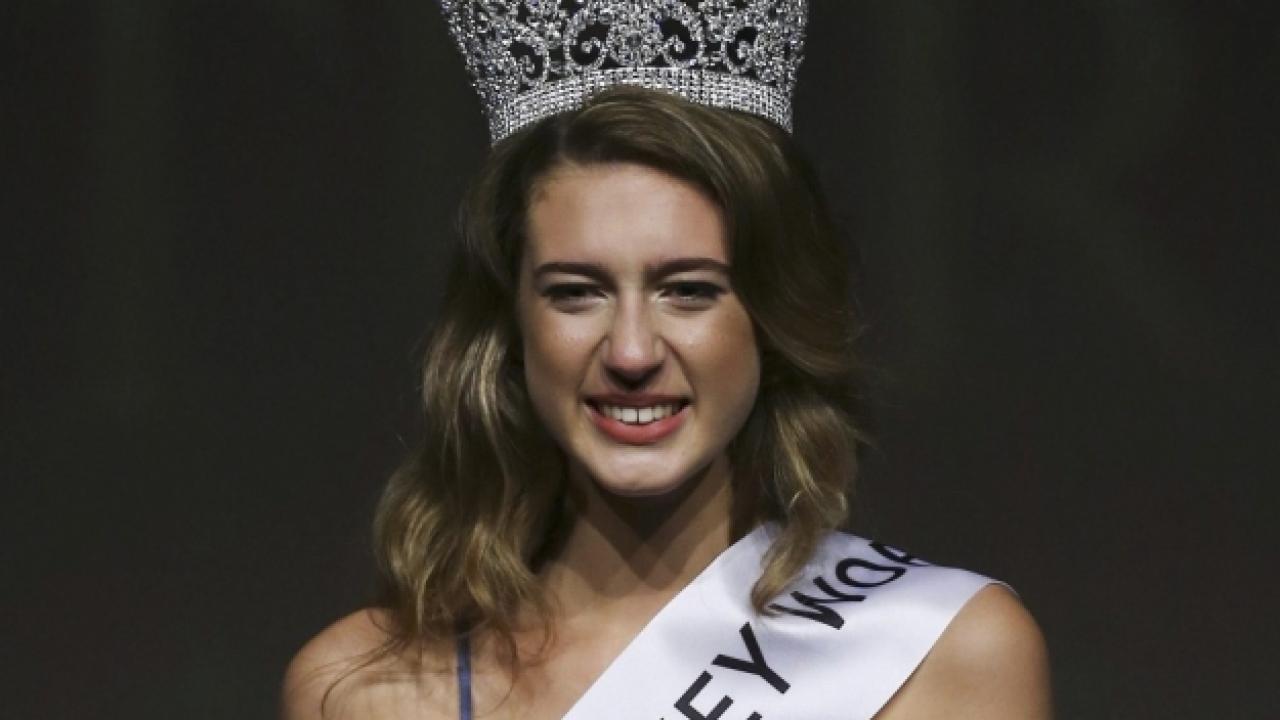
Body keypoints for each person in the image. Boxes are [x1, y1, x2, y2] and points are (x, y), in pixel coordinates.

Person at [284, 3, 1050, 719]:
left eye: (688, 291)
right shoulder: (360, 689)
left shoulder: (940, 654)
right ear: (511, 321)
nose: (631, 352)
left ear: (770, 317)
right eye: (576, 293)